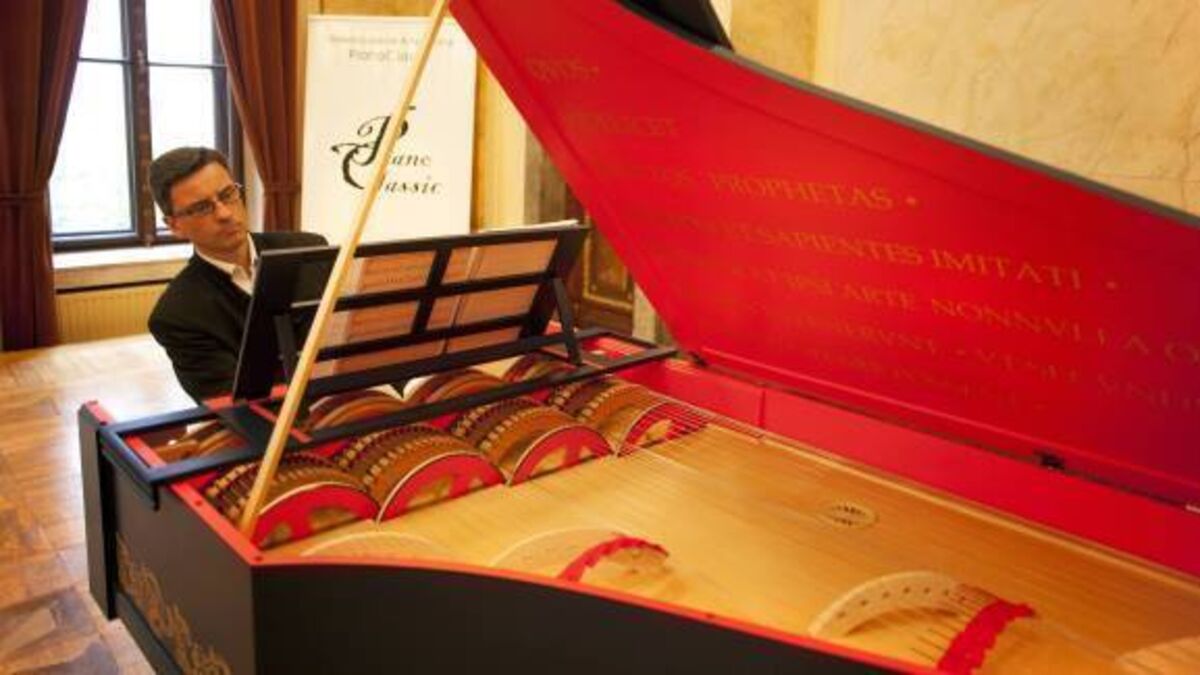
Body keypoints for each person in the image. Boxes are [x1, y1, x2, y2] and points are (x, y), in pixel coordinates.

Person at [147, 147, 327, 402]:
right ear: (174, 225)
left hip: (352, 404)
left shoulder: (309, 250)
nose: (224, 213)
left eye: (227, 194)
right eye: (201, 208)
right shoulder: (177, 315)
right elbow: (236, 405)